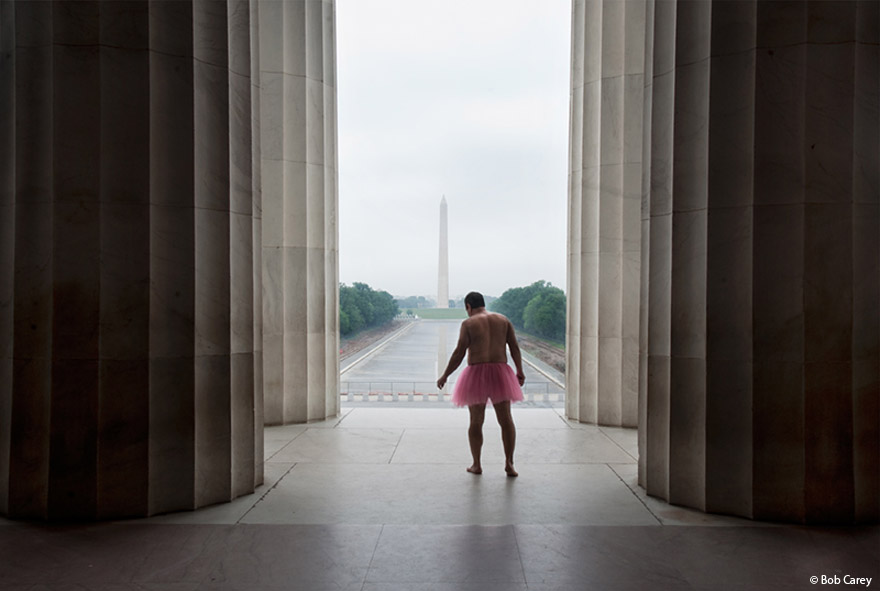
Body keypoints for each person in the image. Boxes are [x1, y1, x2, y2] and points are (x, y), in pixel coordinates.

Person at [437, 291, 525, 477]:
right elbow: (514, 348)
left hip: (476, 373)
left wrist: (445, 375)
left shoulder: (469, 323)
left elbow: (459, 353)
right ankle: (509, 464)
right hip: (501, 372)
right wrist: (519, 370)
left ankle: (477, 464)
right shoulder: (503, 320)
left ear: (468, 307)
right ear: (483, 304)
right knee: (506, 420)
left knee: (476, 421)